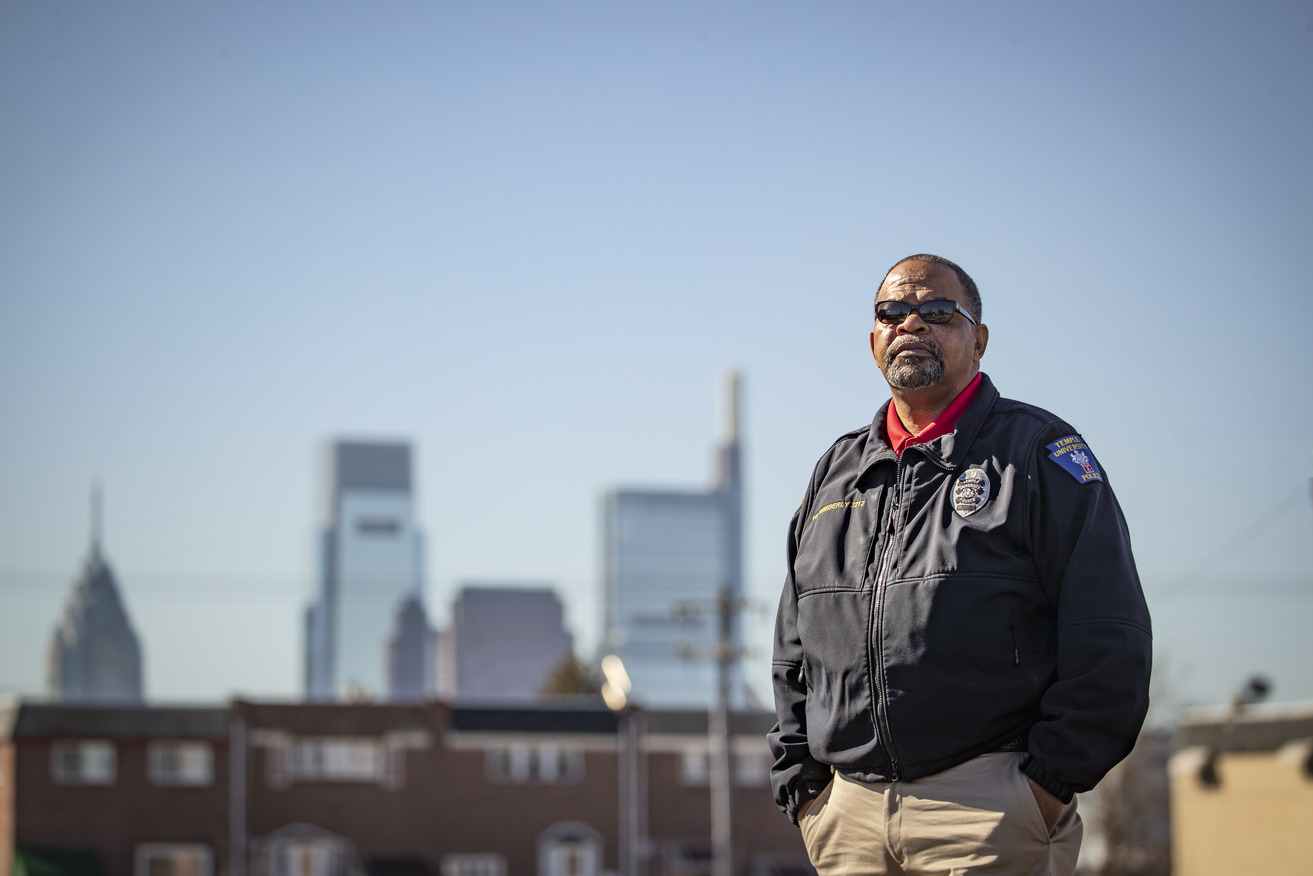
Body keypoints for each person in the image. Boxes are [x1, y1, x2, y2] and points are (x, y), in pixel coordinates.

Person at [768, 254, 1152, 876]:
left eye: (938, 311)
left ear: (980, 339)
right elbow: (793, 645)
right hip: (847, 818)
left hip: (988, 809)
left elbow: (1111, 634)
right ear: (873, 340)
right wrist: (804, 787)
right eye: (892, 312)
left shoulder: (1039, 453)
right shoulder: (836, 471)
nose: (911, 323)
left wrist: (1045, 786)